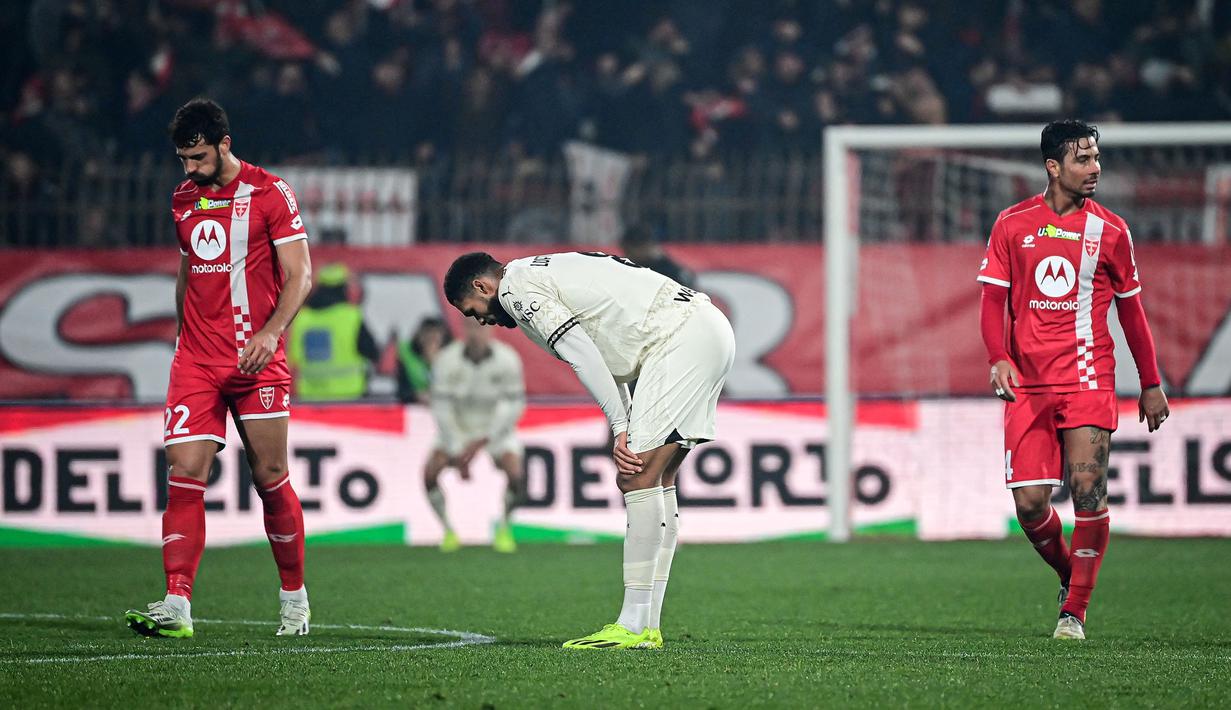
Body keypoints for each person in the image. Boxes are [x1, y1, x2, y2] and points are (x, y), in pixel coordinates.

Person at [442, 250, 735, 650]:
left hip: (678, 339)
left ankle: (633, 625)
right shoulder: (538, 272)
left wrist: (620, 425)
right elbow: (604, 352)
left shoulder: (515, 290)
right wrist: (626, 418)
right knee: (659, 478)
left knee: (636, 475)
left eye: (473, 310)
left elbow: (582, 354)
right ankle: (646, 624)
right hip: (702, 328)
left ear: (482, 286)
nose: (481, 319)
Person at [125, 98, 314, 638]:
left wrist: (272, 331)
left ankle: (294, 599)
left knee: (270, 478)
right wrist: (182, 330)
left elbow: (300, 275)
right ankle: (177, 605)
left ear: (224, 144)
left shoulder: (270, 193)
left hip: (257, 358)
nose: (190, 169)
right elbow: (188, 266)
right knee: (184, 472)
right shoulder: (183, 197)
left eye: (200, 157)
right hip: (198, 360)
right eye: (183, 159)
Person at [977, 119, 1170, 641]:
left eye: (1097, 158)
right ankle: (1071, 574)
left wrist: (1149, 382)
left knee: (1088, 491)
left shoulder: (1112, 231)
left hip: (1088, 379)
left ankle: (1074, 613)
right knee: (1031, 504)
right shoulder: (1012, 223)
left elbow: (1133, 314)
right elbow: (992, 300)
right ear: (1053, 166)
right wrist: (998, 356)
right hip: (1028, 384)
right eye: (1083, 160)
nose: (1095, 169)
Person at [424, 318, 526, 553]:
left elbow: (515, 405)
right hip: (457, 428)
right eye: (470, 327)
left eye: (480, 327)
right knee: (429, 474)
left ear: (491, 328)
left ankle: (504, 528)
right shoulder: (447, 360)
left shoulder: (508, 359)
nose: (475, 333)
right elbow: (441, 409)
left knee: (516, 474)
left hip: (495, 430)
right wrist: (459, 448)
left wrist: (485, 439)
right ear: (462, 329)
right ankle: (448, 531)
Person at [286, 263, 380, 401]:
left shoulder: (302, 318)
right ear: (343, 288)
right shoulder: (351, 316)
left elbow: (294, 357)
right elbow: (372, 352)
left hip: (311, 398)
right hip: (348, 396)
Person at [396, 317, 451, 403]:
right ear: (420, 336)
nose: (431, 343)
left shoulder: (452, 355)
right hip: (415, 408)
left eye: (434, 338)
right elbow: (402, 392)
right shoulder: (407, 354)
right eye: (428, 336)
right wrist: (416, 396)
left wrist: (435, 364)